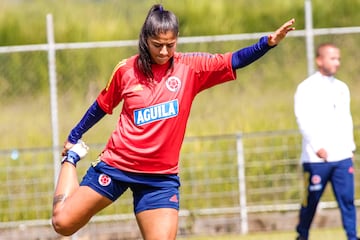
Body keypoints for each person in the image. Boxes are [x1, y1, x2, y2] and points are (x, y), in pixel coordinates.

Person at [51, 4, 295, 239]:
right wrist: (74, 137)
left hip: (159, 179)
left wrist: (268, 43)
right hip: (117, 166)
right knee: (62, 223)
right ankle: (71, 160)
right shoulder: (126, 70)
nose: (164, 52)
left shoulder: (190, 68)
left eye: (170, 45)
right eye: (158, 45)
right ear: (145, 39)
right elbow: (101, 106)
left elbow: (233, 60)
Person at [294, 43, 358, 240]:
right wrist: (316, 146)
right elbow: (302, 119)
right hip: (315, 159)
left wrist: (350, 149)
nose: (337, 62)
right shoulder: (306, 87)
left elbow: (346, 119)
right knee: (310, 202)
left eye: (338, 58)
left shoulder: (342, 88)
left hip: (341, 157)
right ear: (319, 60)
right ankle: (302, 235)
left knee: (347, 200)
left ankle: (352, 236)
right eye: (332, 58)